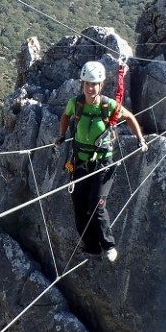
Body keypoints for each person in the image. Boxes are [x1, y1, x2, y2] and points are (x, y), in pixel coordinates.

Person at [55, 60, 147, 262]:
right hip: (80, 162)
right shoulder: (76, 103)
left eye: (94, 84)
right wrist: (61, 136)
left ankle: (108, 245)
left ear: (101, 85)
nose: (90, 87)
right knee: (79, 207)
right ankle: (92, 247)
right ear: (82, 84)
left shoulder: (108, 106)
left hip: (103, 165)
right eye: (87, 83)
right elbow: (65, 116)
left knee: (96, 205)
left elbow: (130, 117)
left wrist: (140, 139)